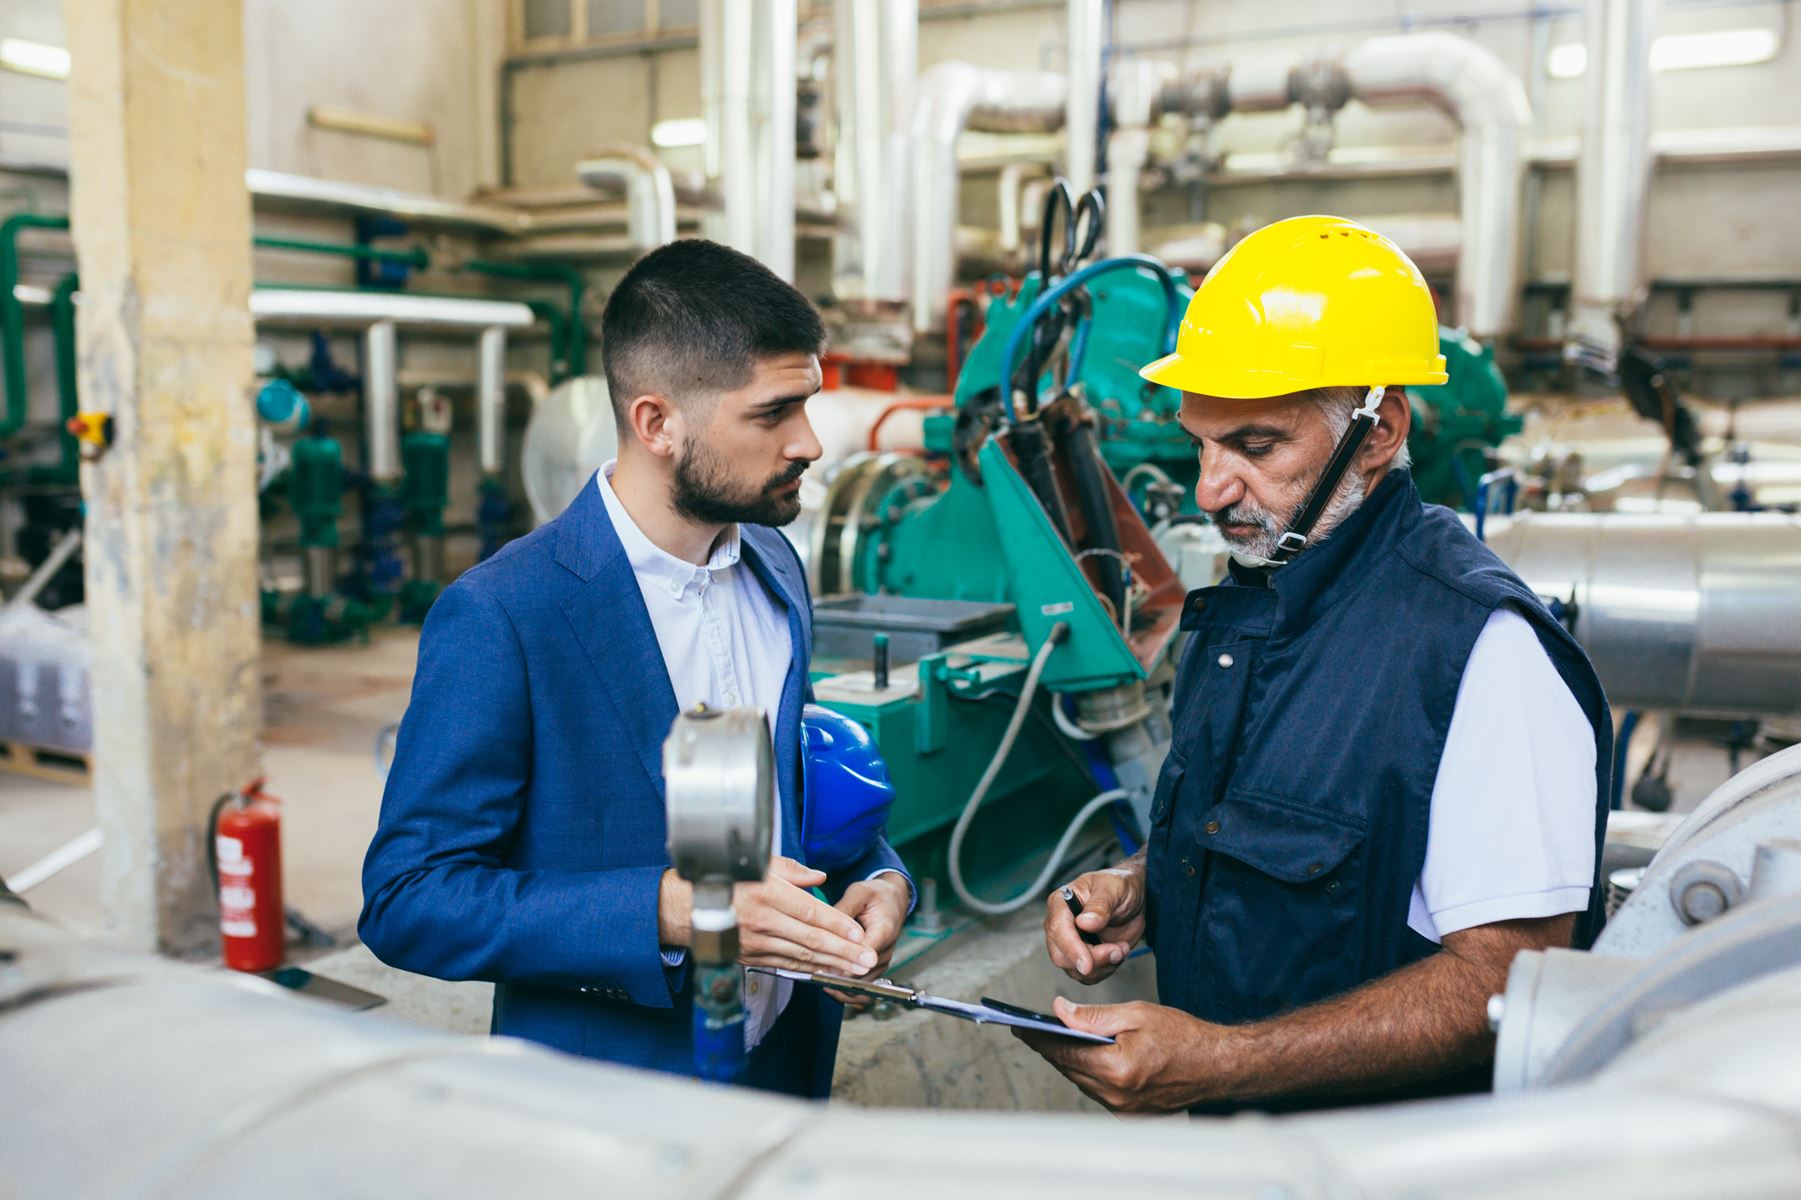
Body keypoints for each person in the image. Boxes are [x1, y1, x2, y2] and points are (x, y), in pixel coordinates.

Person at [1019, 215, 1611, 1113]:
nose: (1209, 489)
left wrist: (1225, 1060)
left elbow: (1509, 982)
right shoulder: (1257, 597)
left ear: (1377, 433)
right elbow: (1285, 832)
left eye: (1255, 447)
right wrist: (1145, 886)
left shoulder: (1479, 651)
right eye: (1199, 445)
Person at [361, 239, 913, 1098]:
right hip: (612, 1103)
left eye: (807, 403)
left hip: (783, 1069)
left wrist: (876, 879)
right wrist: (673, 909)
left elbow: (782, 806)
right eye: (773, 414)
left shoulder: (775, 566)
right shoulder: (506, 615)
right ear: (657, 424)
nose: (809, 443)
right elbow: (411, 898)